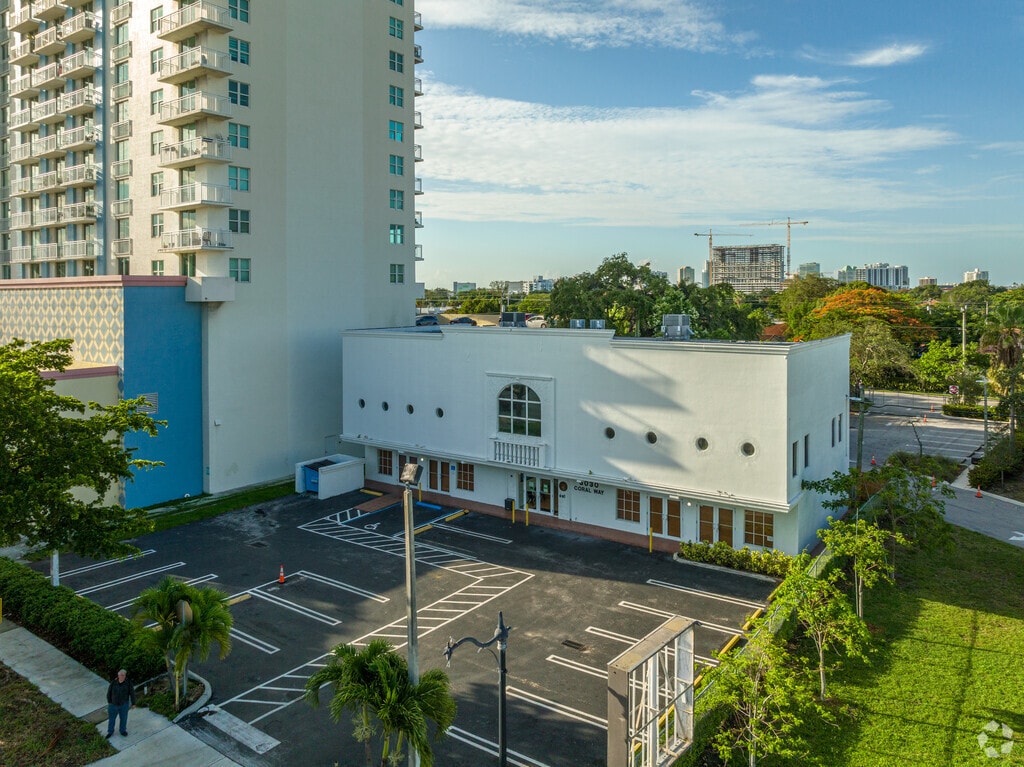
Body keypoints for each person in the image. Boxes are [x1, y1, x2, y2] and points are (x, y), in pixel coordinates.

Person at [106, 668, 136, 737]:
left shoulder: (128, 683)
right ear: (118, 675)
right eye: (121, 675)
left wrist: (133, 703)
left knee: (123, 718)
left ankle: (122, 731)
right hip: (113, 705)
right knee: (111, 719)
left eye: (124, 675)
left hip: (124, 705)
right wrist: (110, 702)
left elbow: (132, 693)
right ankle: (110, 732)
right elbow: (109, 693)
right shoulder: (113, 682)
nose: (123, 676)